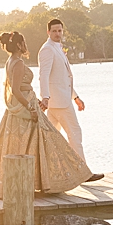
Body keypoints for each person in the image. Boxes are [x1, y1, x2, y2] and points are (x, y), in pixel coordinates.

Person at [0, 30, 98, 197]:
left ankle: (38, 180)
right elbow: (17, 91)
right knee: (49, 139)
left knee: (29, 143)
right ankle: (67, 176)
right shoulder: (18, 63)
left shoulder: (10, 61)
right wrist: (31, 108)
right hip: (25, 107)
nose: (26, 46)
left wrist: (36, 103)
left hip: (23, 106)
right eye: (24, 43)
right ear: (19, 45)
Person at [38, 17, 98, 172]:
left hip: (61, 100)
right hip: (58, 102)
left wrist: (76, 97)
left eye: (60, 31)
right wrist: (45, 97)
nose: (58, 34)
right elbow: (43, 75)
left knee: (51, 138)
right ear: (48, 32)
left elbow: (64, 78)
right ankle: (82, 171)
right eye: (54, 31)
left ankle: (51, 173)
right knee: (74, 133)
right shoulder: (47, 49)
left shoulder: (58, 48)